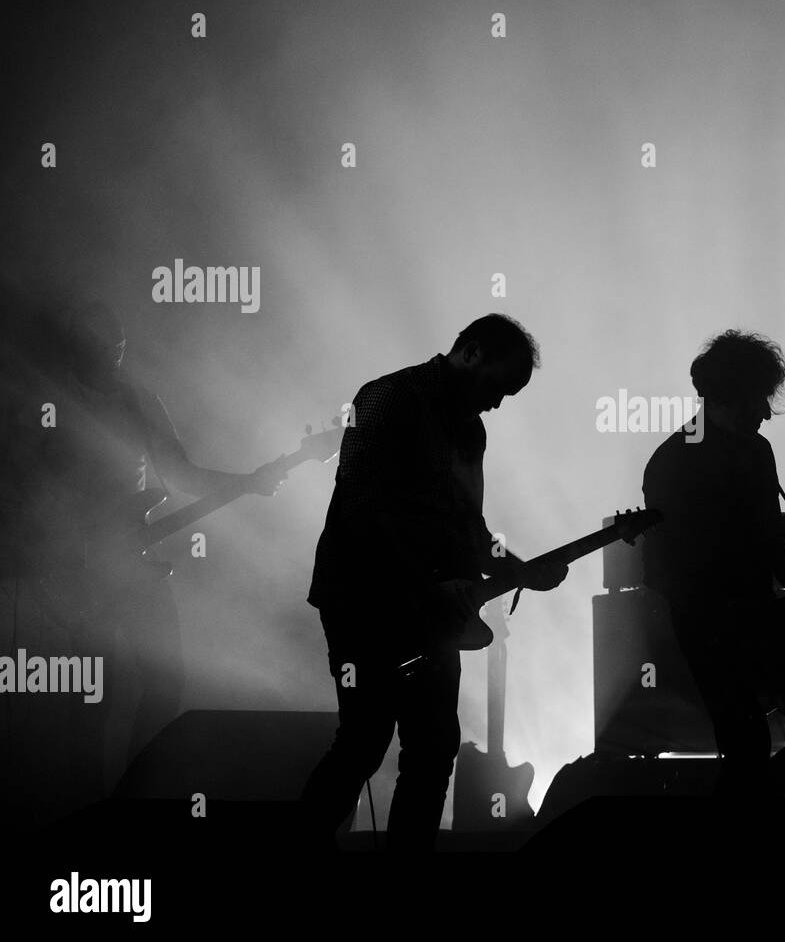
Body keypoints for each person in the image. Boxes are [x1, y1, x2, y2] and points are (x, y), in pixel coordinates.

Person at [300, 313, 568, 852]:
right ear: (471, 352)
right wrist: (430, 586)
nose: (497, 403)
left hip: (430, 609)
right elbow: (363, 508)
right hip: (365, 599)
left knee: (431, 744)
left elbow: (469, 528)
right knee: (367, 739)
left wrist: (515, 568)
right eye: (498, 386)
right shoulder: (389, 397)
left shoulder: (469, 428)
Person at [7, 300, 282, 808]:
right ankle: (95, 809)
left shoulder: (138, 401)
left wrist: (248, 481)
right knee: (95, 693)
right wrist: (49, 560)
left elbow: (180, 474)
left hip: (131, 562)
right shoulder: (49, 403)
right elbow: (26, 486)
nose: (107, 356)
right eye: (96, 345)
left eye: (114, 346)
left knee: (164, 684)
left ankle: (132, 800)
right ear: (77, 347)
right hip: (76, 563)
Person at [641, 330, 785, 800]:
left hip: (761, 624)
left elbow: (775, 547)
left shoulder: (755, 452)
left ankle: (749, 813)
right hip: (711, 632)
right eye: (758, 398)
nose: (766, 413)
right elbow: (670, 573)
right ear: (729, 394)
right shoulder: (672, 465)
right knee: (749, 747)